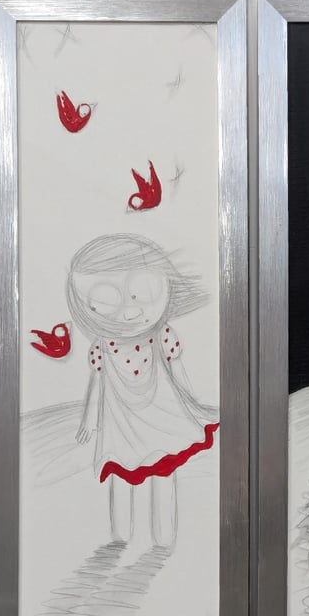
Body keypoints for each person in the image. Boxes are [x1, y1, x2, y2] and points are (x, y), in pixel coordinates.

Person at [67, 233, 218, 547]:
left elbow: (176, 371)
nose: (129, 312)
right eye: (105, 302)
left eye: (142, 293)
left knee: (163, 471)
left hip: (160, 416)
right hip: (120, 422)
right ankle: (120, 538)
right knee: (121, 472)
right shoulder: (102, 346)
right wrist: (89, 420)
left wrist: (190, 402)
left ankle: (164, 540)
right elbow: (96, 382)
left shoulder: (162, 334)